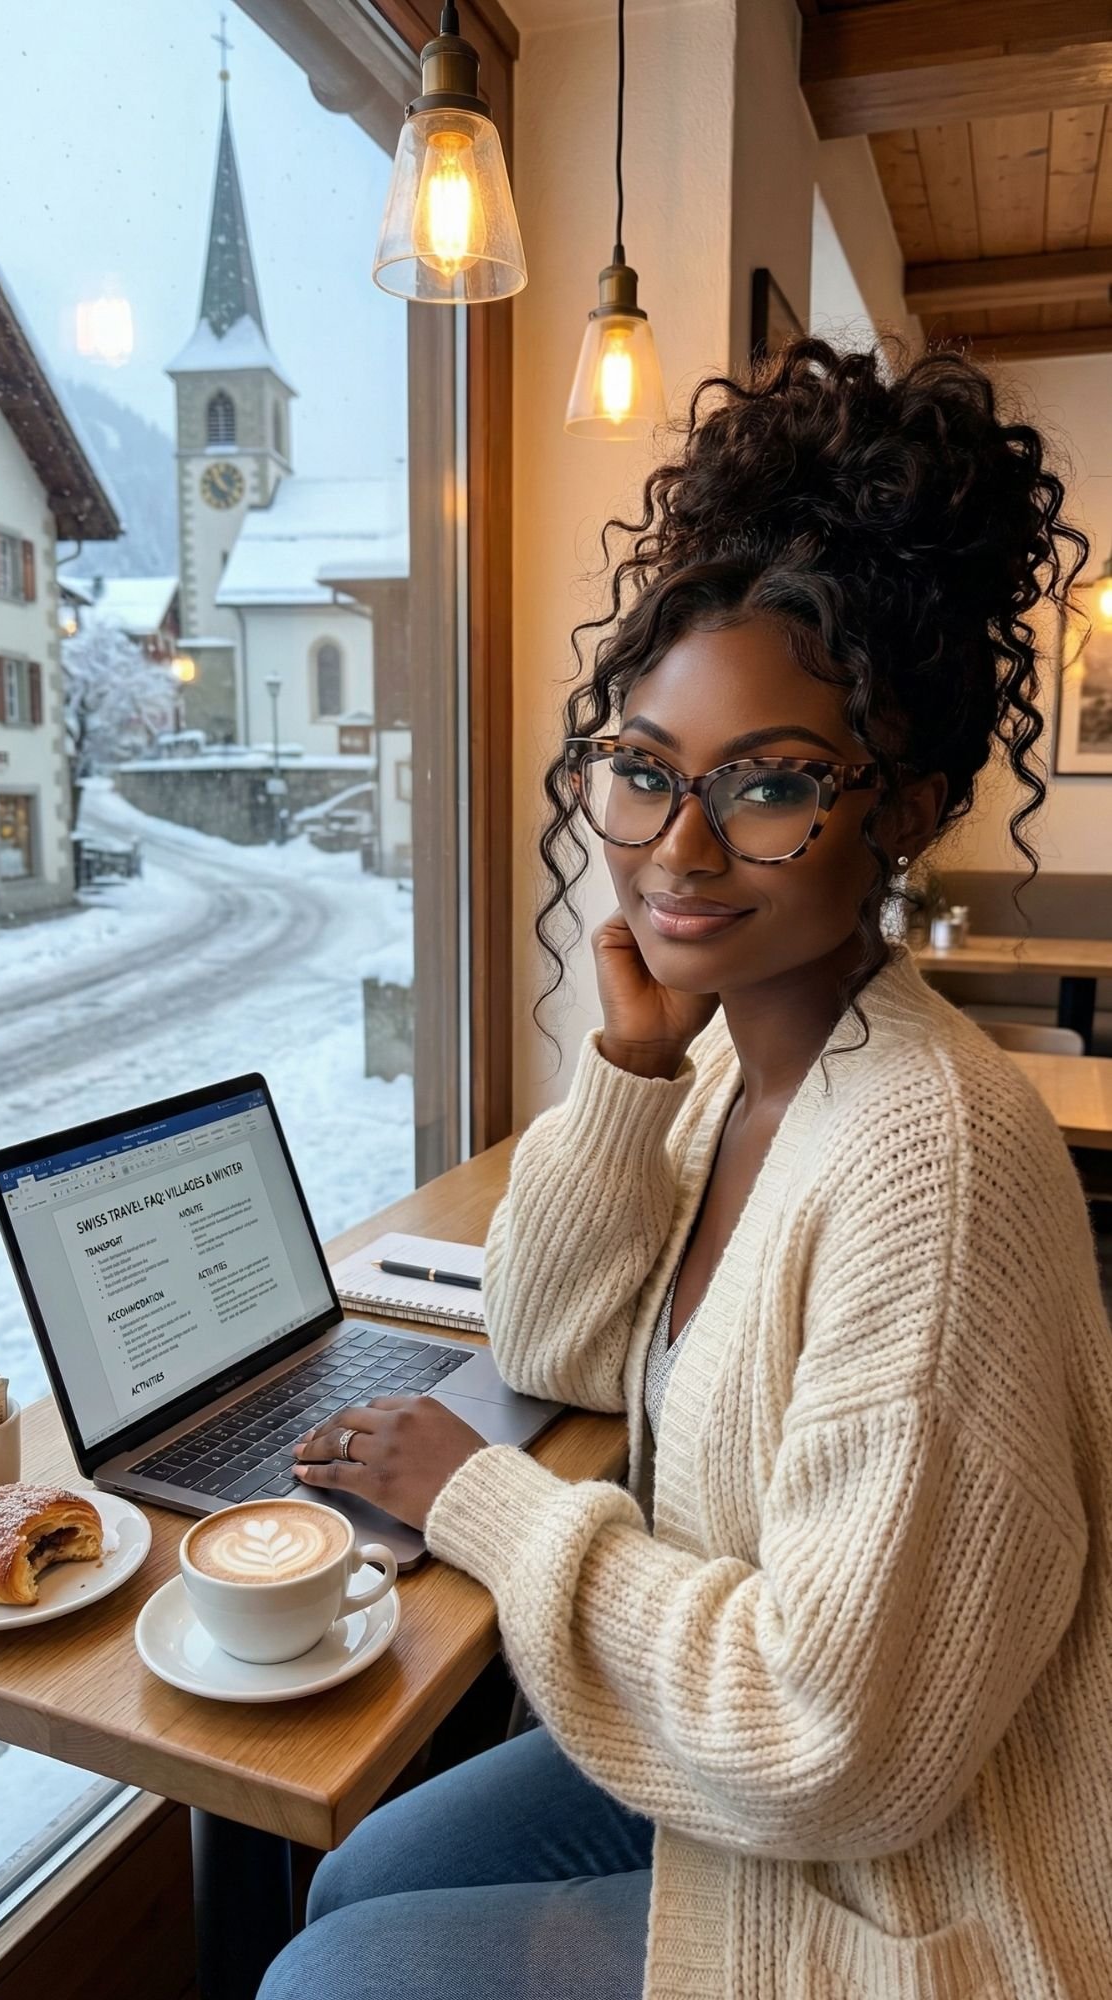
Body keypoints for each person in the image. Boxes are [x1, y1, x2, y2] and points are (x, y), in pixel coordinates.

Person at [258, 340, 1112, 2000]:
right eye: (644, 772)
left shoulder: (922, 1163)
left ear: (907, 806)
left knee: (325, 1979)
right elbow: (555, 1340)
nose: (678, 847)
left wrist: (481, 1499)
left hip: (909, 1871)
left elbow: (834, 1743)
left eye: (770, 784)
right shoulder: (736, 1055)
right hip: (784, 1741)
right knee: (351, 1868)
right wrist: (633, 1061)